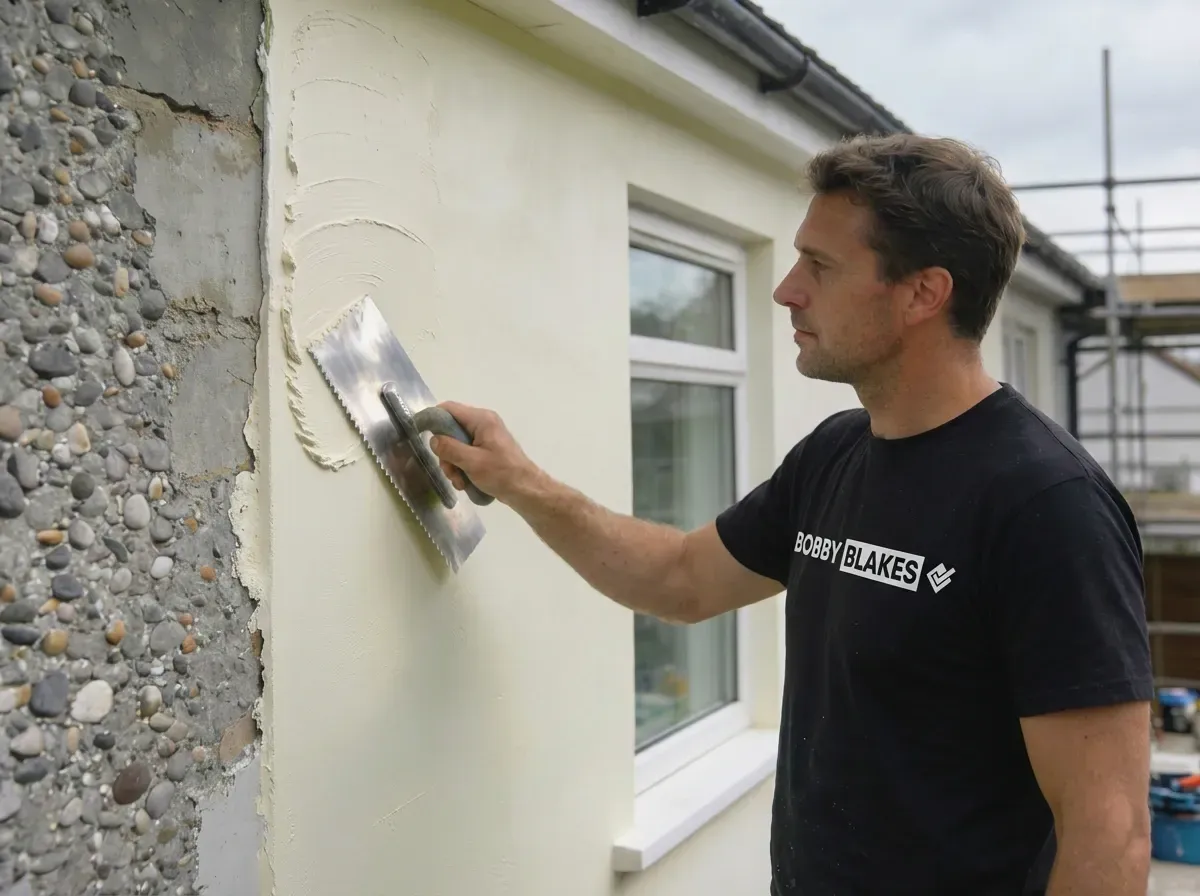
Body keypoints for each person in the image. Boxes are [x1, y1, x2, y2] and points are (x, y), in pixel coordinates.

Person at [428, 133, 1154, 895]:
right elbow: (680, 579)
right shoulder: (835, 454)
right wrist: (520, 482)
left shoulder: (1047, 504)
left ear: (922, 294)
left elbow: (1109, 835)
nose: (786, 290)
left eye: (820, 265)